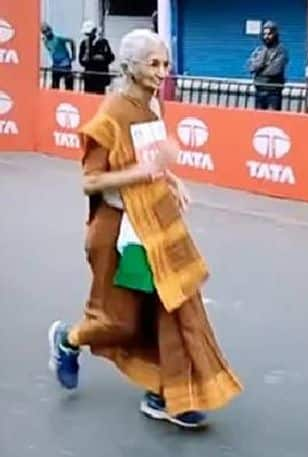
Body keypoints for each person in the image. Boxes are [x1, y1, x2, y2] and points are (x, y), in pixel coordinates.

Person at [47, 29, 242, 429]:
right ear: (129, 66)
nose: (162, 71)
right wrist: (142, 173)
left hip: (158, 226)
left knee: (176, 309)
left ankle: (166, 395)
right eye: (154, 64)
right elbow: (90, 181)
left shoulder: (156, 104)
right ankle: (68, 340)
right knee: (119, 321)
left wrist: (171, 180)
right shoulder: (111, 115)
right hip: (118, 235)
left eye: (165, 63)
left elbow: (155, 160)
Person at [247, 21, 288, 111]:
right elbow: (251, 67)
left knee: (272, 120)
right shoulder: (260, 50)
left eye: (269, 34)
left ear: (275, 34)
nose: (266, 37)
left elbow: (274, 70)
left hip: (273, 92)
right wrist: (264, 64)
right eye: (264, 34)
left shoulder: (281, 50)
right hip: (259, 90)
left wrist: (259, 69)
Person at [78, 21, 115, 95]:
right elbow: (81, 61)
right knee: (88, 98)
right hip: (89, 76)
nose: (88, 36)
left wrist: (103, 58)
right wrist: (86, 57)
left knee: (99, 97)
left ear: (94, 31)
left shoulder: (103, 42)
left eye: (89, 33)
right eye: (86, 34)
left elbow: (111, 57)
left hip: (100, 77)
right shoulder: (84, 44)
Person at [42, 23, 75, 90]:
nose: (47, 32)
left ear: (51, 29)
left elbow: (72, 41)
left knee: (69, 88)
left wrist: (73, 55)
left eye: (48, 30)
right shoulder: (45, 42)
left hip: (65, 65)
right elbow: (51, 51)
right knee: (55, 87)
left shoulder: (58, 38)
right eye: (44, 32)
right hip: (56, 66)